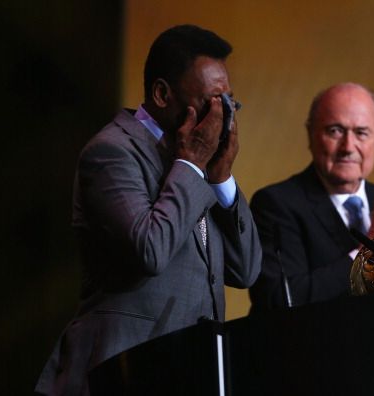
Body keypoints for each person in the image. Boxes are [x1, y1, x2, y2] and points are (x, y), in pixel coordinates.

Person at [36, 25, 262, 395]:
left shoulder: (199, 160)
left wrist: (221, 180)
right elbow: (149, 251)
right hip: (121, 373)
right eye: (210, 102)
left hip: (190, 371)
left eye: (228, 104)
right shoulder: (112, 152)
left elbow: (247, 269)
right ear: (161, 94)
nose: (220, 118)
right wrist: (191, 166)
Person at [249, 82, 374, 311]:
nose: (348, 146)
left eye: (361, 133)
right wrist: (368, 253)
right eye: (335, 131)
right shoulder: (277, 204)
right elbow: (281, 299)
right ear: (311, 135)